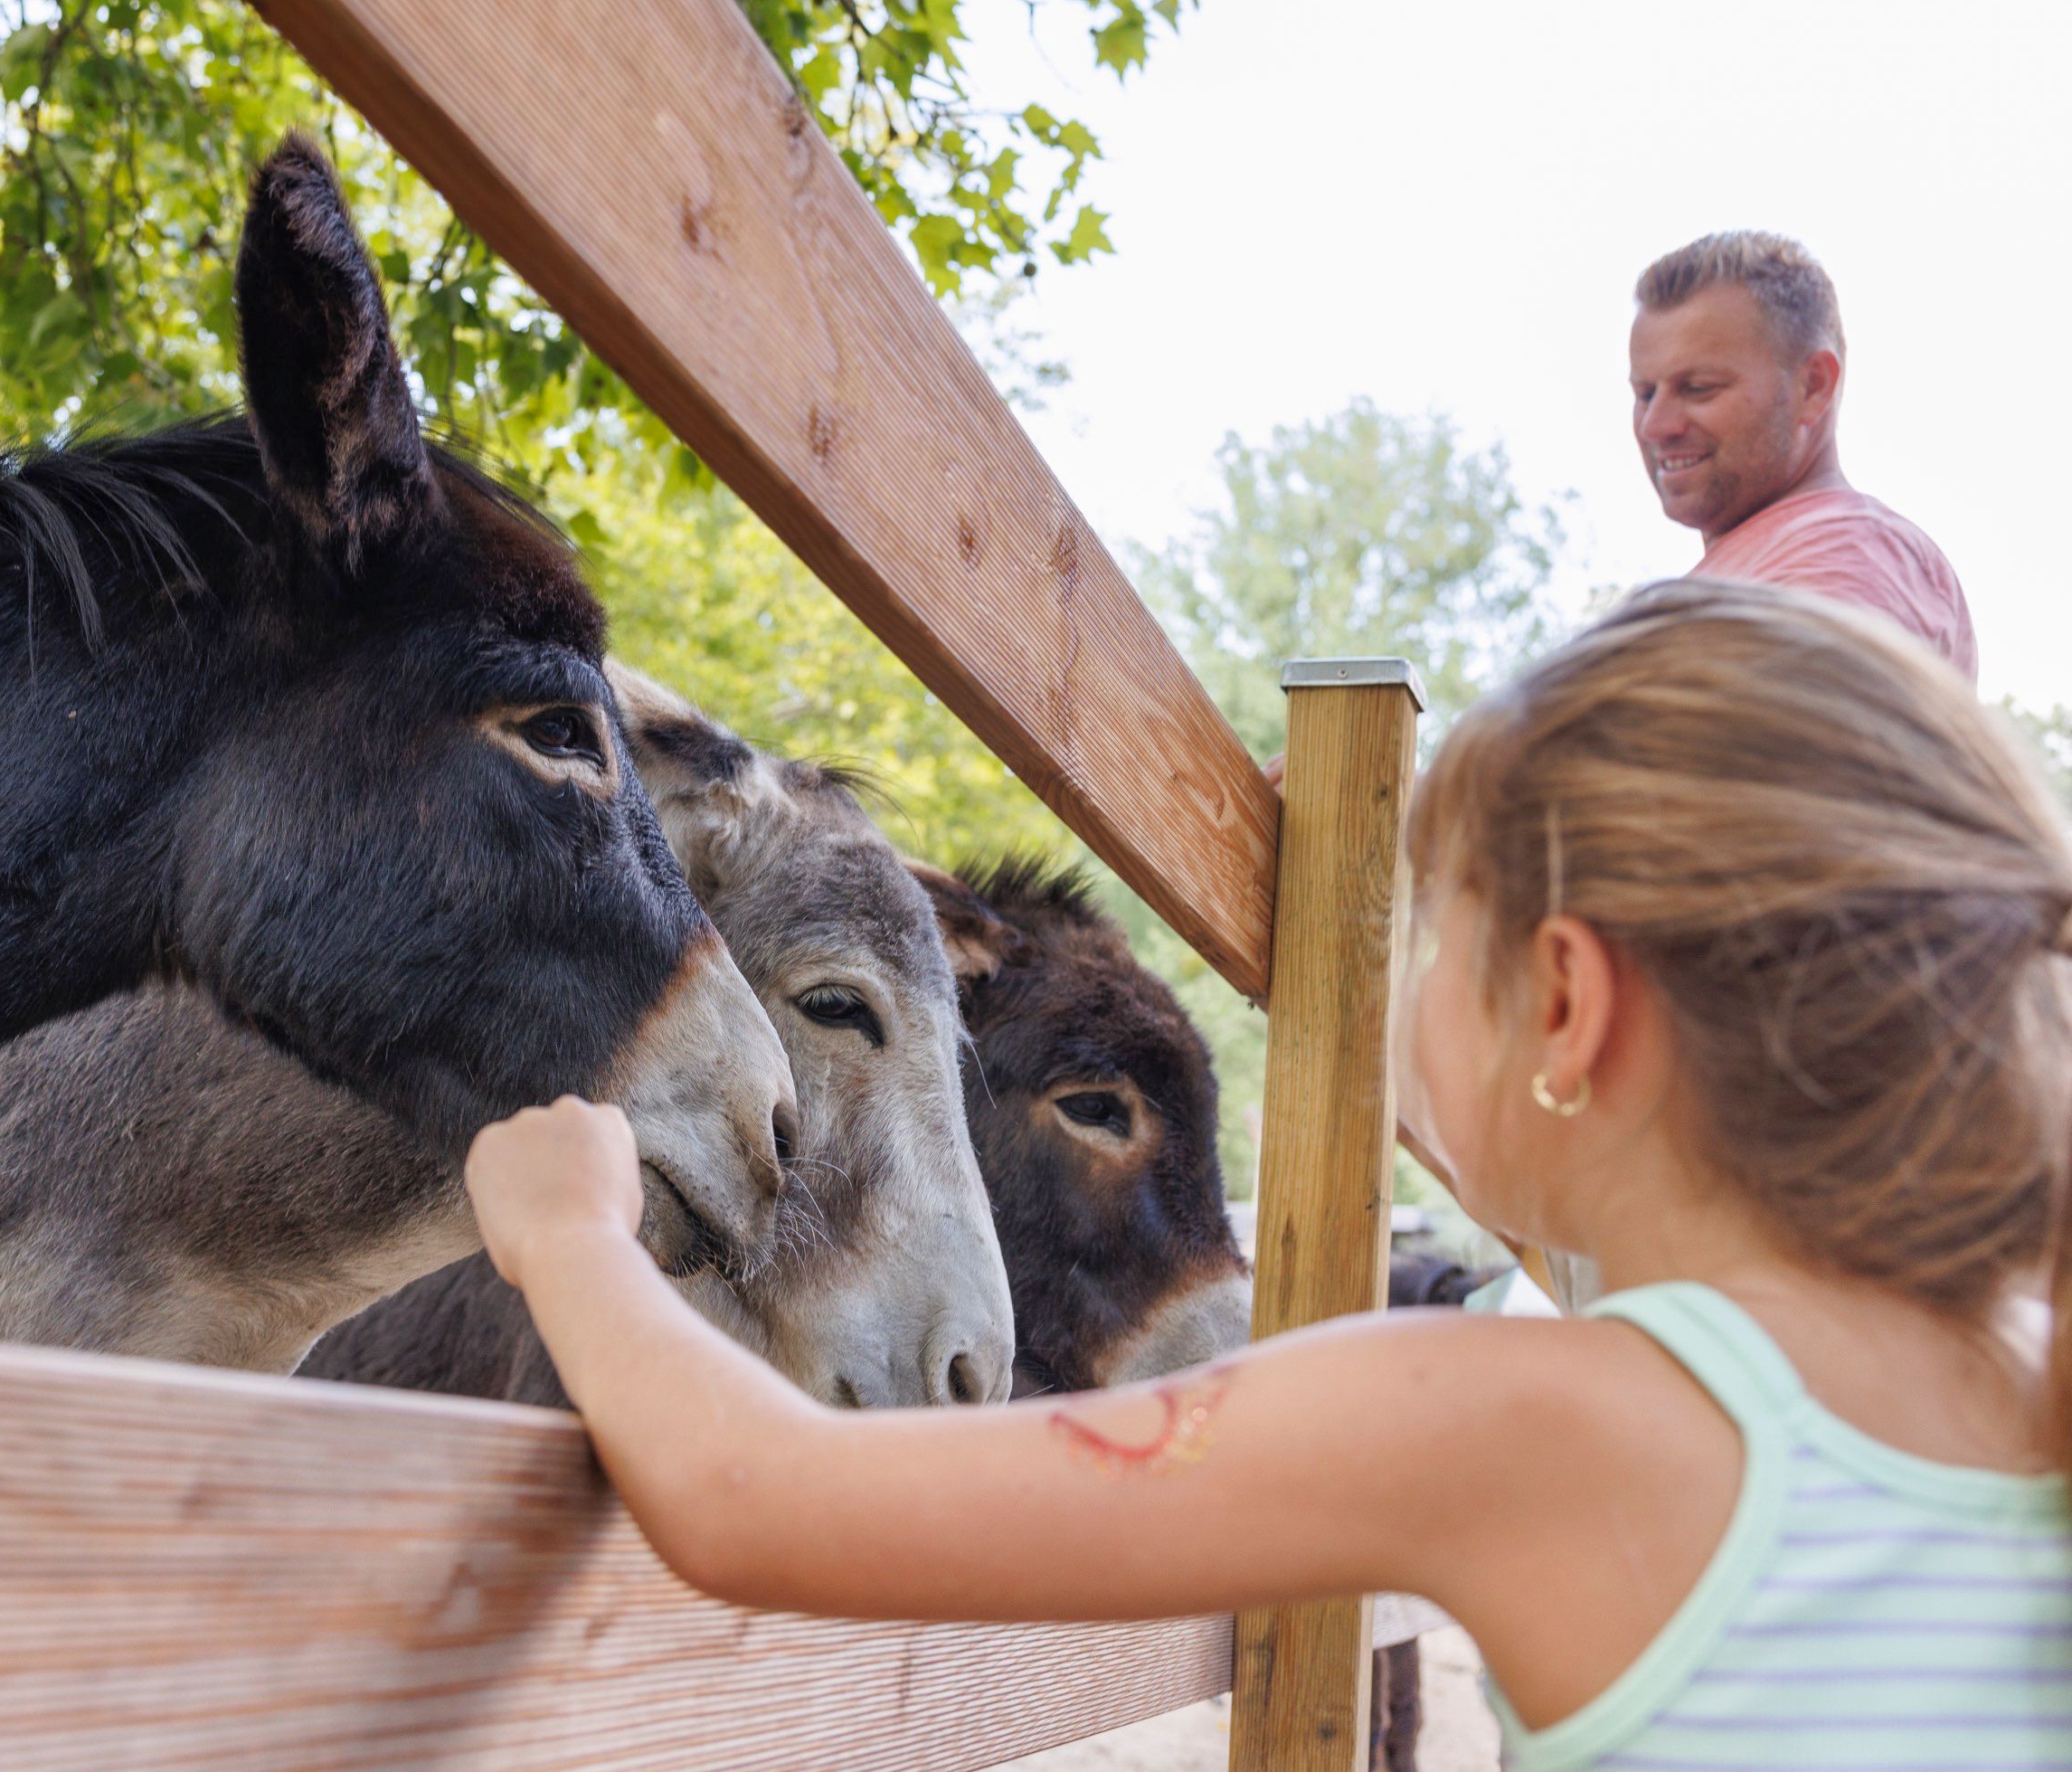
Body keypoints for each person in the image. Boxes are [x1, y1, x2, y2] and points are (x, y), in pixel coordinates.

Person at [463, 580, 2072, 1768]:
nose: (1387, 978)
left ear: (1567, 1010)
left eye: (1426, 924)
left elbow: (760, 1501)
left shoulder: (1517, 1422)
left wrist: (572, 1236)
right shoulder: (2023, 1375)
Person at [1631, 230, 1975, 681]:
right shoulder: (1770, 568)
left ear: (1813, 385)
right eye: (1645, 393)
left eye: (1698, 389)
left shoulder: (1845, 551)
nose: (1655, 426)